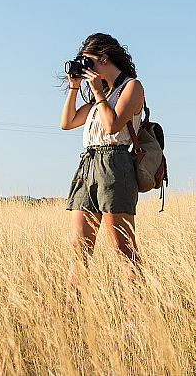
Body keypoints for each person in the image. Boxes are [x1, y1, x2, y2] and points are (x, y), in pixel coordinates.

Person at [59, 33, 145, 322]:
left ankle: (134, 322)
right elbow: (66, 123)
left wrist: (97, 93)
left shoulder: (131, 87)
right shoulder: (104, 94)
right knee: (79, 252)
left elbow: (113, 126)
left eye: (89, 61)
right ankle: (70, 322)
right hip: (88, 164)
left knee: (124, 252)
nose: (86, 67)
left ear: (104, 58)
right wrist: (74, 87)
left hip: (114, 165)